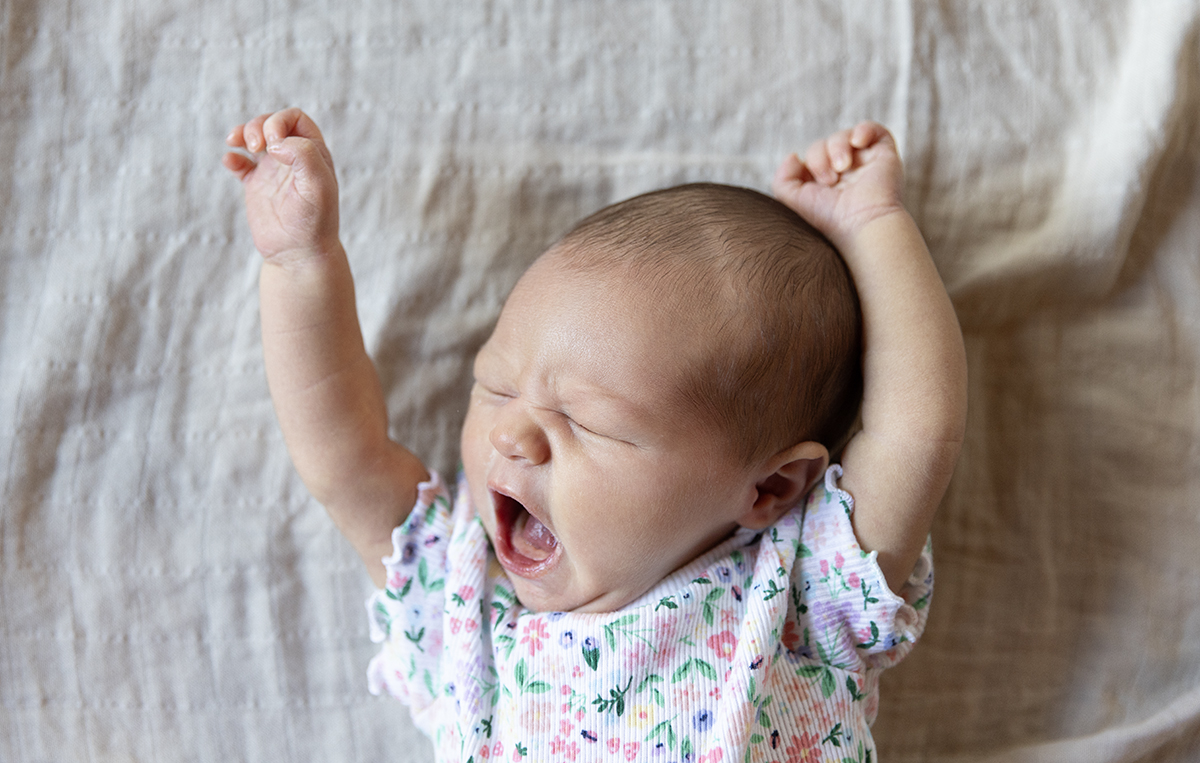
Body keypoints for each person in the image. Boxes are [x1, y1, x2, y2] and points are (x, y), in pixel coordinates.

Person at [224, 110, 966, 762]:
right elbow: (346, 459)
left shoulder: (796, 592)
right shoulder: (467, 606)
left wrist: (873, 228)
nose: (513, 433)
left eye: (587, 421)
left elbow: (916, 431)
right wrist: (299, 263)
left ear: (769, 487)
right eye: (497, 385)